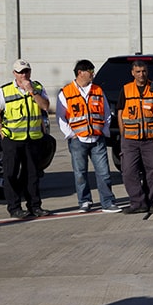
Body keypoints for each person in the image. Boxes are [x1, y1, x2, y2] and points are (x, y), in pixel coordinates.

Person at [57, 60, 121, 213]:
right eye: (90, 70)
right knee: (80, 173)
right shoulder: (66, 92)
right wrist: (71, 135)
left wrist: (104, 131)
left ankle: (108, 202)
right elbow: (61, 116)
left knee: (104, 172)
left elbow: (106, 113)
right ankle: (84, 201)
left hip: (97, 139)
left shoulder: (98, 90)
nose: (93, 73)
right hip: (78, 140)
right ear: (80, 72)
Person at [0, 59, 52, 218]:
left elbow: (45, 106)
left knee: (32, 174)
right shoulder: (6, 90)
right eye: (20, 72)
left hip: (33, 138)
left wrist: (32, 91)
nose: (24, 75)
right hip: (13, 139)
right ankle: (14, 207)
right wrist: (0, 130)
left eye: (26, 71)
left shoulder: (37, 87)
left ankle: (34, 206)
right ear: (14, 73)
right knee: (10, 173)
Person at [116, 60, 153, 215]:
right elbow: (120, 111)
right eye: (138, 71)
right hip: (130, 139)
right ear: (132, 73)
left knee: (152, 172)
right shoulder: (126, 89)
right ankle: (138, 202)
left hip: (152, 139)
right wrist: (123, 131)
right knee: (128, 171)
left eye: (144, 71)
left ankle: (150, 203)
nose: (141, 74)